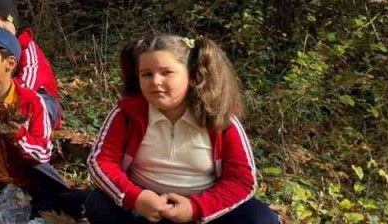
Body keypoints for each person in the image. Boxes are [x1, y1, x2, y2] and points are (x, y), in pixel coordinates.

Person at [85, 34, 278, 224]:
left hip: (202, 211)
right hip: (145, 210)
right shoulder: (127, 113)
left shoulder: (219, 119)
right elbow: (101, 162)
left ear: (192, 76)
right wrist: (136, 198)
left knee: (260, 219)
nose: (155, 81)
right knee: (99, 203)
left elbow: (242, 181)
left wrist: (194, 208)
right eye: (147, 74)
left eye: (166, 72)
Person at [0, 27, 78, 219]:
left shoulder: (32, 100)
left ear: (10, 63)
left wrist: (19, 136)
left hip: (29, 181)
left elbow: (43, 152)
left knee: (72, 202)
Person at [0, 0, 62, 126]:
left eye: (5, 20)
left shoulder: (26, 46)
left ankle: (29, 134)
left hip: (36, 96)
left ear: (15, 25)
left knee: (38, 107)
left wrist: (2, 101)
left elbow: (28, 85)